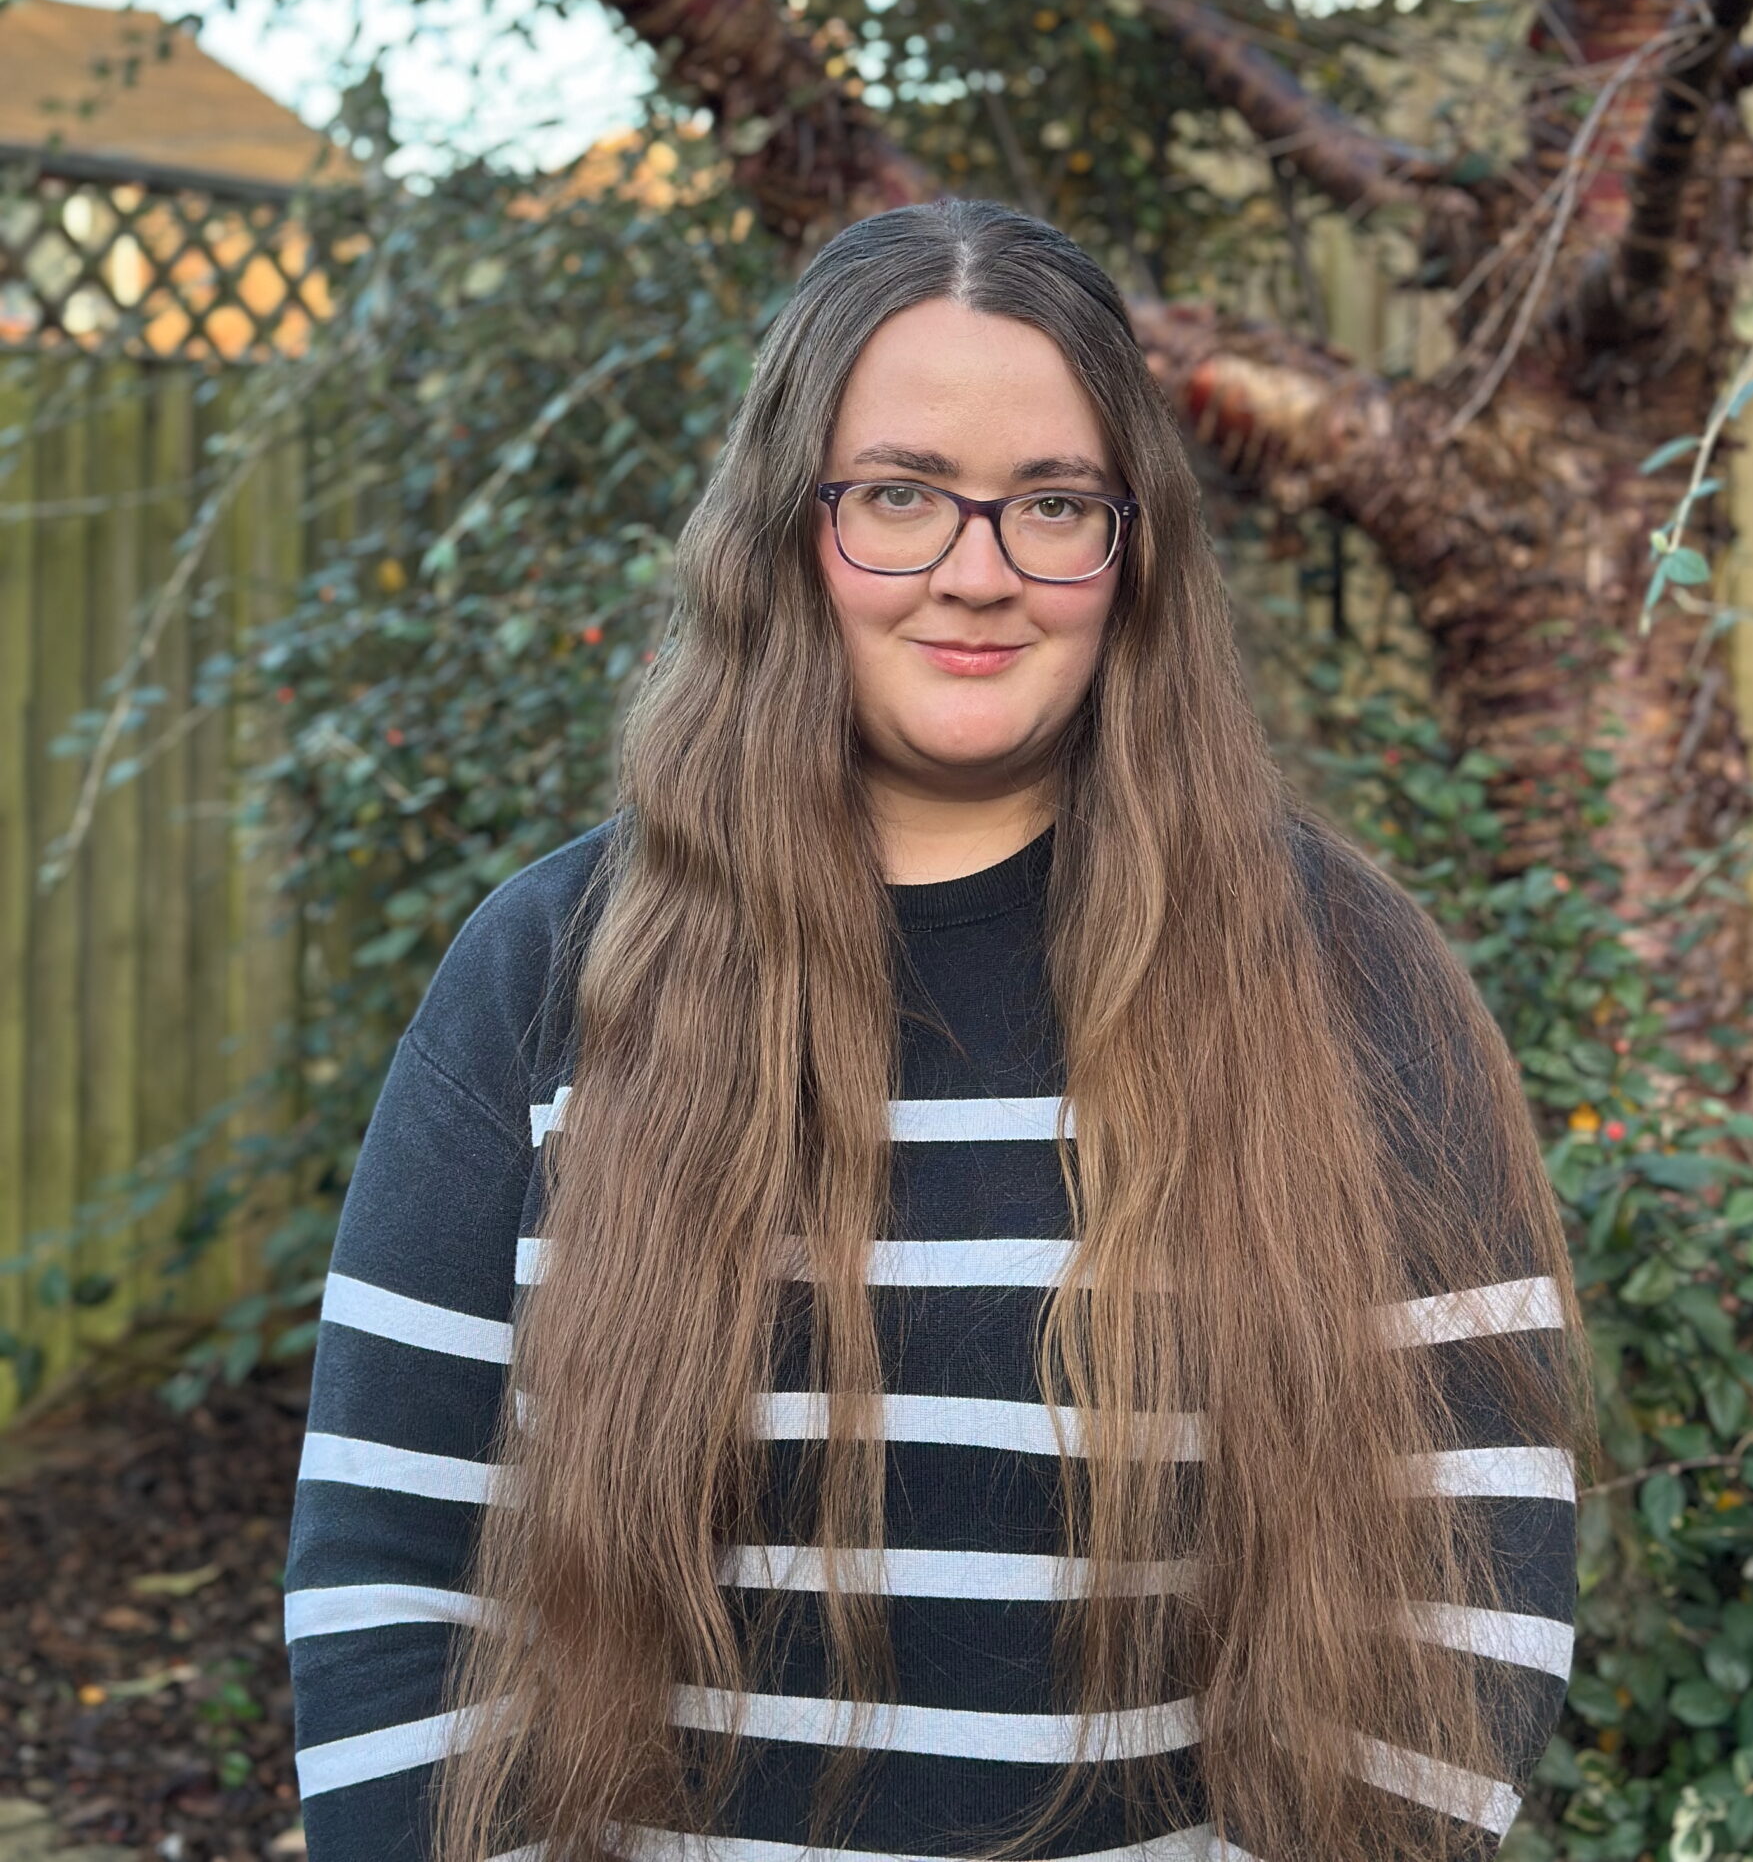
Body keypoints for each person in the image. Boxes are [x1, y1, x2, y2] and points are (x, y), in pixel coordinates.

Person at [285, 199, 1580, 1862]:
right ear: (785, 529)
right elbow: (393, 1561)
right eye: (900, 495)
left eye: (1052, 503)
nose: (979, 570)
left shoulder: (1346, 985)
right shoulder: (549, 975)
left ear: (1136, 550)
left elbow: (1465, 1595)